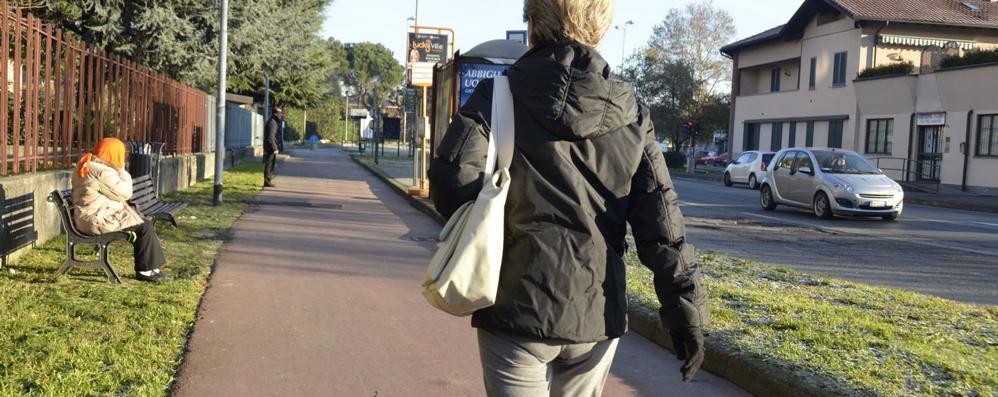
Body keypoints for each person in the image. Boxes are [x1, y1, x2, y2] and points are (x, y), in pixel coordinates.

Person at [428, 0, 708, 395]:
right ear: (600, 27)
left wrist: (492, 219)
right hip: (595, 314)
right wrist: (687, 314)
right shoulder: (631, 115)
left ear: (533, 24)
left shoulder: (499, 96)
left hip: (515, 308)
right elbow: (662, 226)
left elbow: (449, 177)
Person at [72, 137, 169, 282]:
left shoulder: (89, 164)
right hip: (95, 220)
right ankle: (146, 271)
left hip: (89, 217)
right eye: (121, 154)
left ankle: (151, 268)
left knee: (143, 221)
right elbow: (125, 192)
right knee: (144, 226)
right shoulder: (102, 172)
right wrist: (122, 170)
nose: (123, 157)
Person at [264, 107, 284, 187]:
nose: (281, 114)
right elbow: (271, 137)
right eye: (279, 113)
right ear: (275, 113)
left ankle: (268, 180)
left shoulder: (274, 121)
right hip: (270, 147)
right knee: (269, 164)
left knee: (271, 164)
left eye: (281, 113)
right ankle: (267, 181)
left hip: (271, 146)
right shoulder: (272, 122)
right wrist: (274, 148)